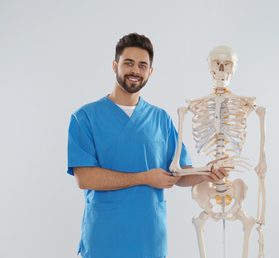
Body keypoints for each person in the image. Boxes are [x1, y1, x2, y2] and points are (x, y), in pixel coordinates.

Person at [67, 33, 228, 258]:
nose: (135, 70)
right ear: (115, 65)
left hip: (150, 240)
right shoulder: (85, 117)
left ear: (150, 71)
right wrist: (143, 178)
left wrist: (205, 172)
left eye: (142, 65)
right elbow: (84, 178)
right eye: (128, 63)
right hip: (104, 239)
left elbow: (179, 172)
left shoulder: (161, 119)